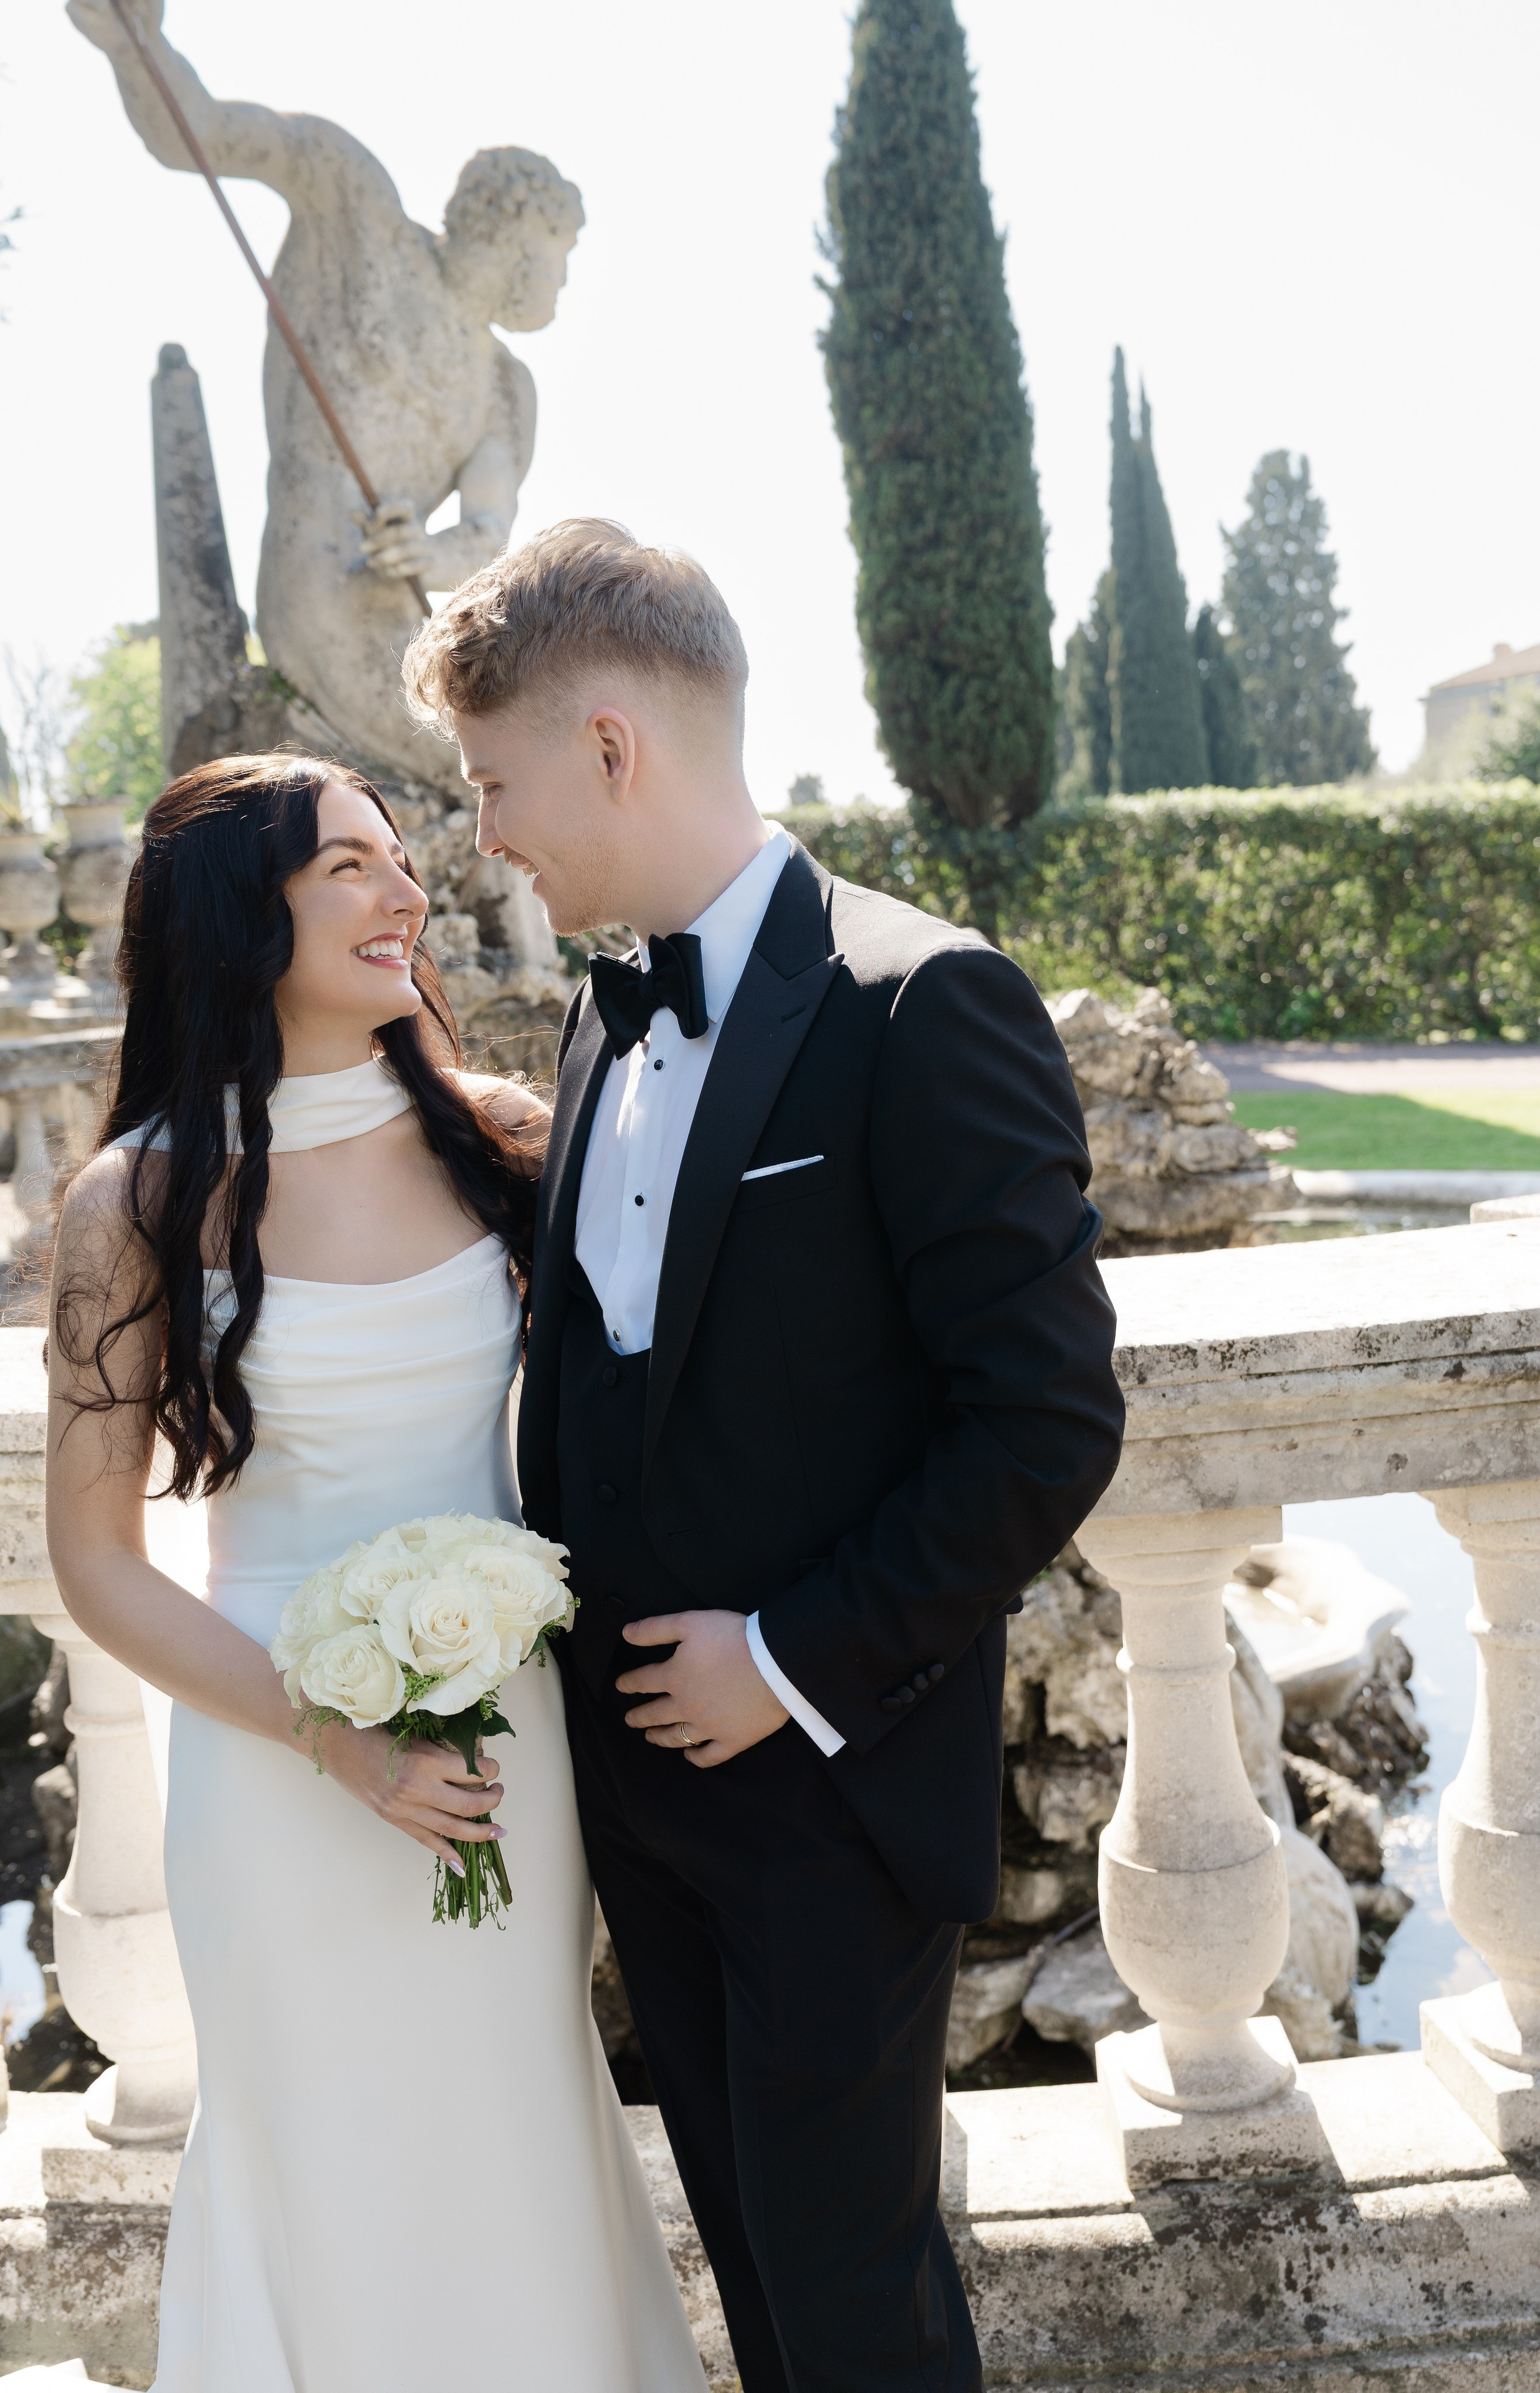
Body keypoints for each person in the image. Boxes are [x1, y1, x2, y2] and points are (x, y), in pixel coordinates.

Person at [403, 518, 1127, 2391]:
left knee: (852, 2304)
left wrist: (792, 1657)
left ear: (613, 746)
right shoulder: (594, 1011)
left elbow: (1046, 1417)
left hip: (828, 1788)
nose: (488, 831)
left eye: (495, 783)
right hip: (639, 1800)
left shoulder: (920, 999)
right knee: (762, 2285)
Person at [44, 755, 704, 2391]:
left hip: (505, 1756)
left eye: (403, 861)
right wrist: (332, 1738)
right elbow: (97, 1563)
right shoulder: (132, 1207)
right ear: (232, 912)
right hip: (275, 1776)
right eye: (351, 865)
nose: (407, 895)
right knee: (319, 2158)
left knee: (515, 2126)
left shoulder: (515, 1145)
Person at [67, 0, 583, 796]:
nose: (563, 279)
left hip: (406, 617)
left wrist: (430, 552)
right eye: (563, 252)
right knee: (494, 768)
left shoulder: (507, 392)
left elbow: (486, 535)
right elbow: (199, 131)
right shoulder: (355, 204)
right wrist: (134, 42)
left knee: (532, 746)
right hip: (318, 590)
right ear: (523, 226)